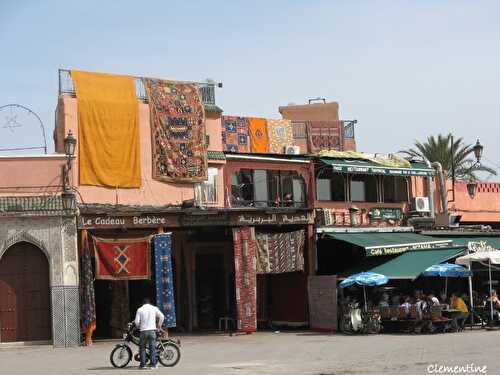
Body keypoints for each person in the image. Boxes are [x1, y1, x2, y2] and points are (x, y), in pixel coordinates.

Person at [134, 297, 165, 369]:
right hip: (152, 331)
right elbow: (162, 316)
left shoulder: (140, 309)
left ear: (143, 303)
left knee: (142, 348)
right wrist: (159, 326)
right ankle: (153, 365)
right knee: (152, 348)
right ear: (149, 303)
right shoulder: (154, 308)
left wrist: (139, 326)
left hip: (143, 331)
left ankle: (143, 365)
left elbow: (136, 322)